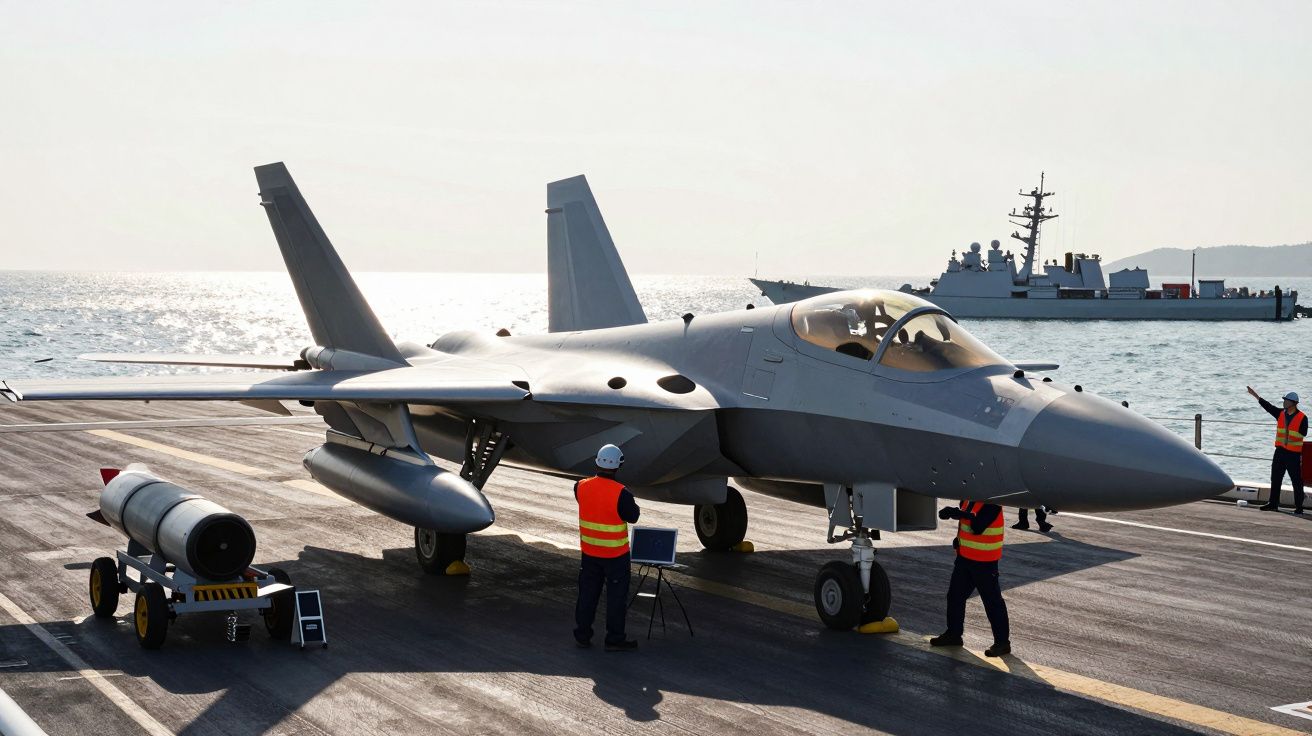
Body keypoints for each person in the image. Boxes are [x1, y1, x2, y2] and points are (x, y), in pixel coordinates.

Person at [574, 444, 641, 651]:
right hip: (615, 555)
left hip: (590, 553)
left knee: (587, 595)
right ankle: (614, 639)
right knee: (615, 599)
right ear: (619, 465)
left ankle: (582, 635)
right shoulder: (622, 493)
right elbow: (633, 516)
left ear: (597, 462)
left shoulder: (580, 486)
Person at [930, 500, 1010, 657]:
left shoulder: (992, 503)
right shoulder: (967, 499)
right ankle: (954, 634)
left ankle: (1002, 643)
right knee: (955, 596)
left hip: (985, 562)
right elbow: (965, 525)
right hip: (965, 559)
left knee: (992, 602)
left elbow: (977, 526)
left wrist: (957, 513)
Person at [1247, 387, 1305, 514]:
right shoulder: (1280, 414)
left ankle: (1299, 507)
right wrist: (1255, 396)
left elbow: (1303, 433)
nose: (1284, 402)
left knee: (1296, 480)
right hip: (1280, 452)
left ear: (1293, 403)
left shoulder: (1302, 418)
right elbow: (1268, 407)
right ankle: (1273, 504)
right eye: (1284, 400)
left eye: (1286, 401)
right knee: (1276, 478)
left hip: (1293, 454)